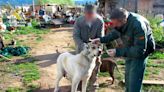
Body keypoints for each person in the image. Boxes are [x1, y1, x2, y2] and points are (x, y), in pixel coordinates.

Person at [91, 8, 155, 92]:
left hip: (141, 53)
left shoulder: (138, 25)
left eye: (115, 24)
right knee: (128, 80)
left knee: (134, 83)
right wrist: (100, 40)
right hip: (130, 50)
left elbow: (139, 50)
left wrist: (118, 52)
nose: (113, 26)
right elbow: (115, 33)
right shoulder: (121, 21)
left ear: (123, 21)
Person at [73, 4, 104, 92]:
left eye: (91, 14)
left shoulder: (99, 21)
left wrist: (95, 44)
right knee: (79, 68)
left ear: (95, 13)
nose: (89, 16)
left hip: (95, 49)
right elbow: (76, 36)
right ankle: (79, 87)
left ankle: (93, 86)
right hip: (81, 49)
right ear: (84, 13)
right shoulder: (79, 21)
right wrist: (83, 46)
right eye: (87, 14)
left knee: (95, 67)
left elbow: (100, 37)